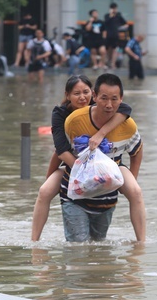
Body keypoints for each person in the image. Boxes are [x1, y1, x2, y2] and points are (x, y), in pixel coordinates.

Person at [31, 75, 146, 242]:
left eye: (85, 92)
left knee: (135, 191)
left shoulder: (108, 109)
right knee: (44, 191)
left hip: (111, 164)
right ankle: (34, 242)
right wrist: (83, 170)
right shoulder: (64, 116)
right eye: (76, 93)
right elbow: (60, 151)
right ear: (68, 95)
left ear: (92, 94)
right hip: (74, 163)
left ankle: (141, 243)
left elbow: (125, 109)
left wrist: (101, 134)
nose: (82, 97)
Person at [103, 3, 128, 69]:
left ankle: (113, 63)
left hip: (115, 35)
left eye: (115, 8)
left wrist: (121, 27)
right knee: (108, 49)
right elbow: (105, 23)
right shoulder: (107, 15)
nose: (114, 10)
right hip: (108, 35)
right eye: (113, 8)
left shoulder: (118, 16)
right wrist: (111, 15)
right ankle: (107, 61)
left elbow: (125, 24)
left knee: (115, 49)